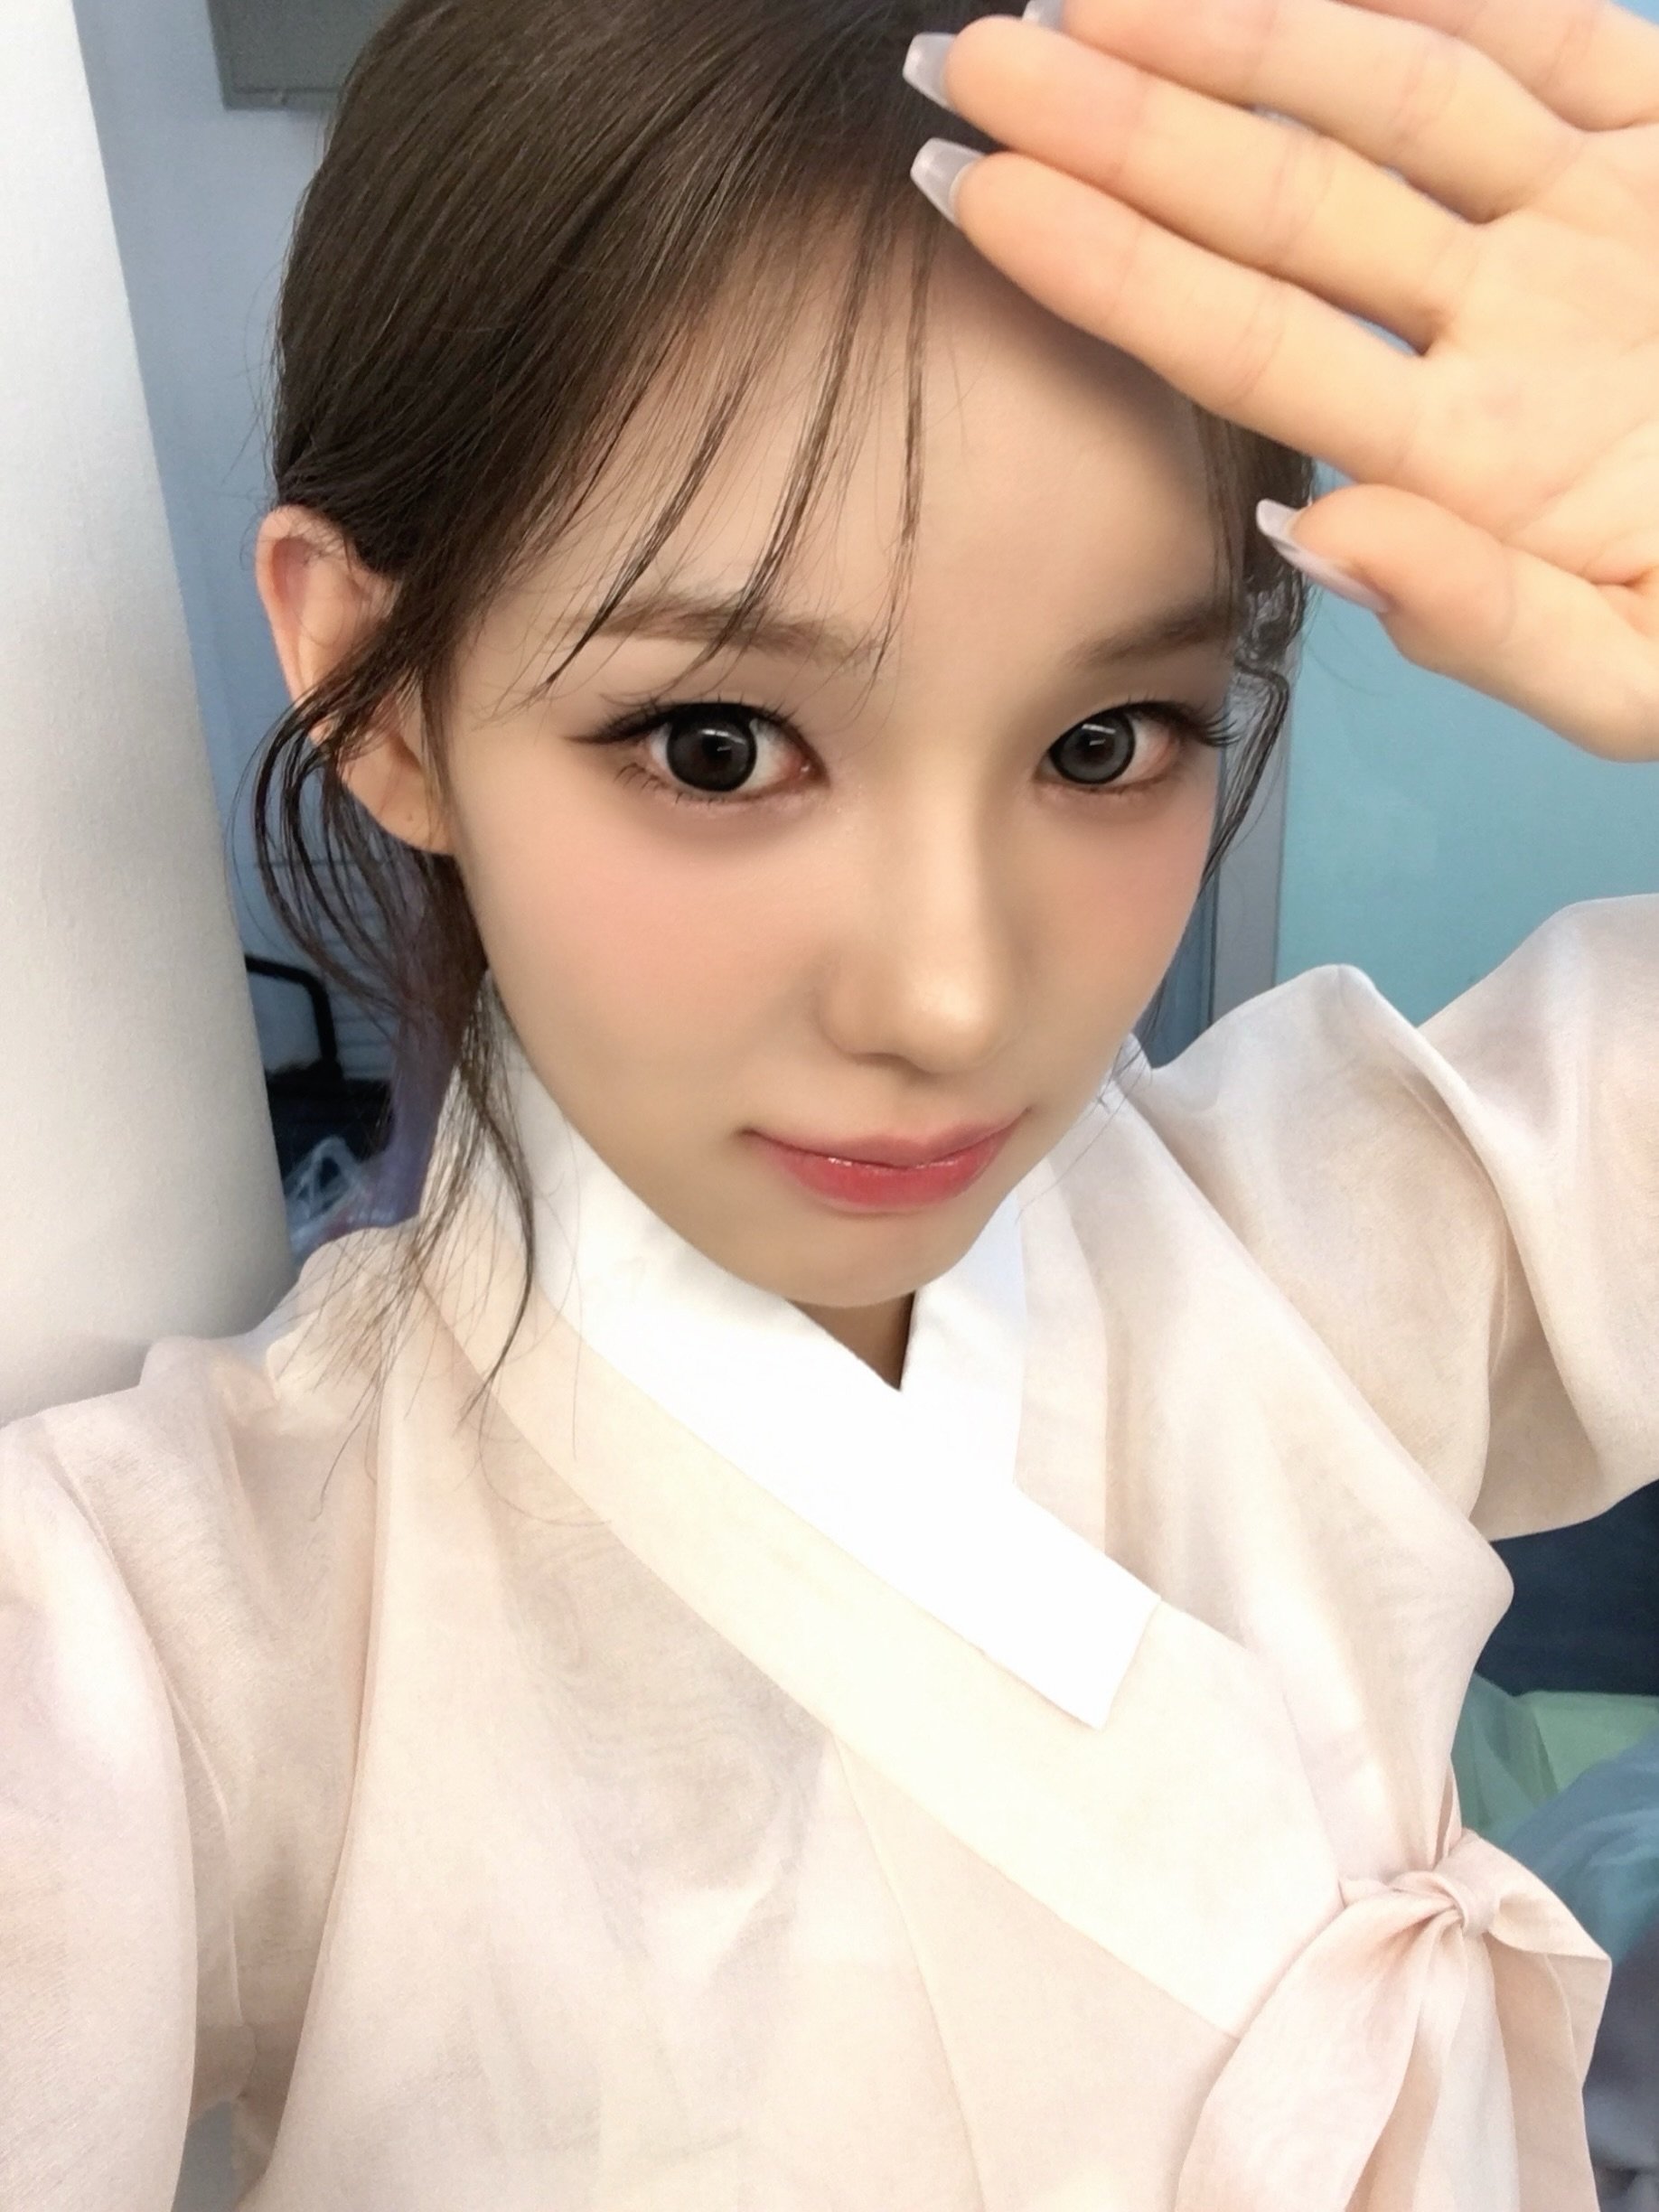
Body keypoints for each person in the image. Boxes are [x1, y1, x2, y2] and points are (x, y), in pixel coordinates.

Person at [4, 0, 1658, 2205]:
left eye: (1105, 744)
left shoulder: (1364, 1228)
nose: (951, 998)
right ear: (373, 692)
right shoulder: (200, 1627)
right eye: (717, 748)